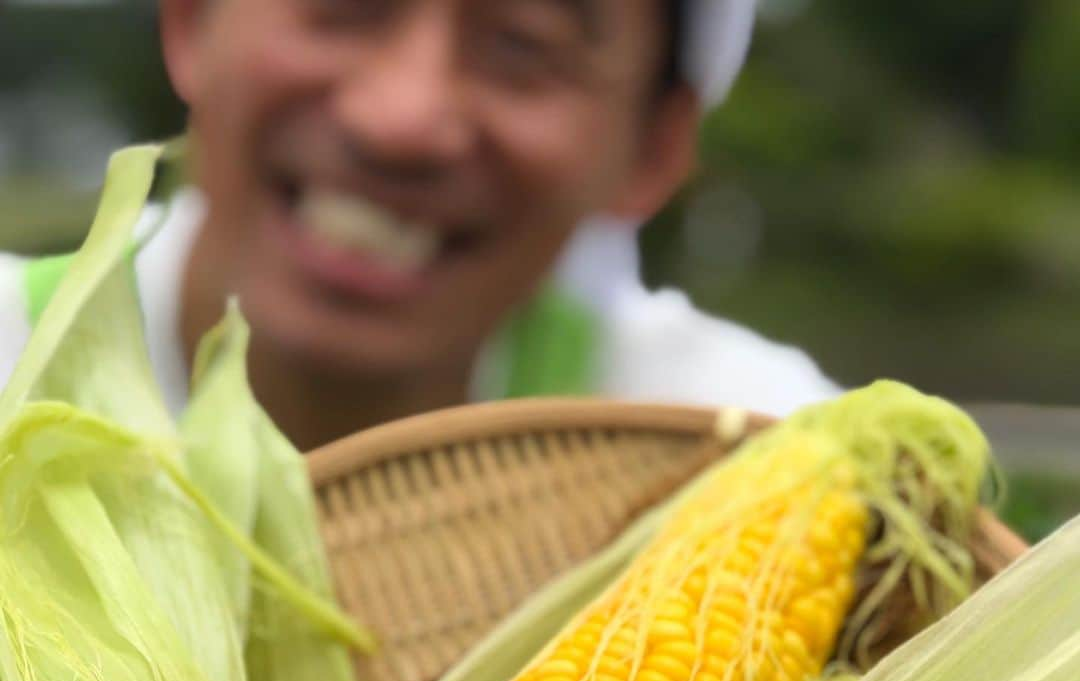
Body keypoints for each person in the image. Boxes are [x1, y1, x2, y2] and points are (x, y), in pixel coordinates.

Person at [0, 0, 836, 450]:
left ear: (652, 148)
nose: (401, 115)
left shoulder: (747, 452)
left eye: (523, 43)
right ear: (191, 19)